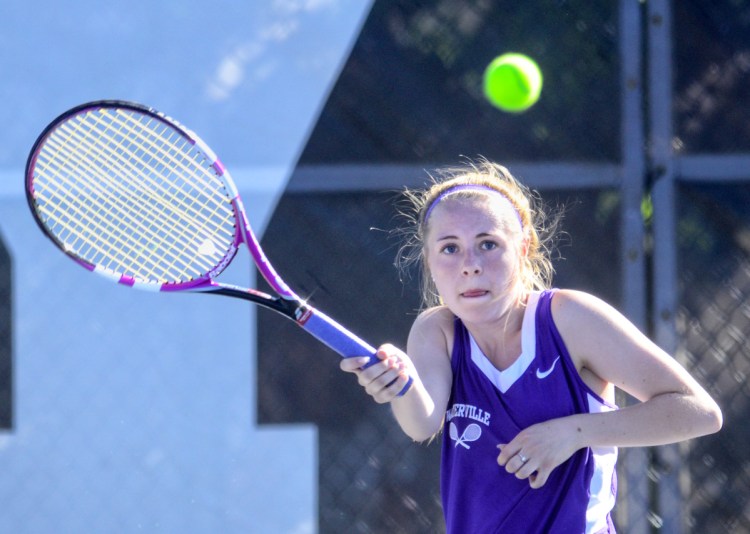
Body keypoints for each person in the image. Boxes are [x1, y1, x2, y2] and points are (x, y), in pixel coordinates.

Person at [339, 159, 723, 533]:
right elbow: (420, 424)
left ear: (522, 248)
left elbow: (699, 412)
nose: (470, 264)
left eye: (488, 244)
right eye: (450, 248)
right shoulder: (436, 331)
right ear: (429, 261)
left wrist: (572, 433)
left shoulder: (570, 319)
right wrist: (400, 384)